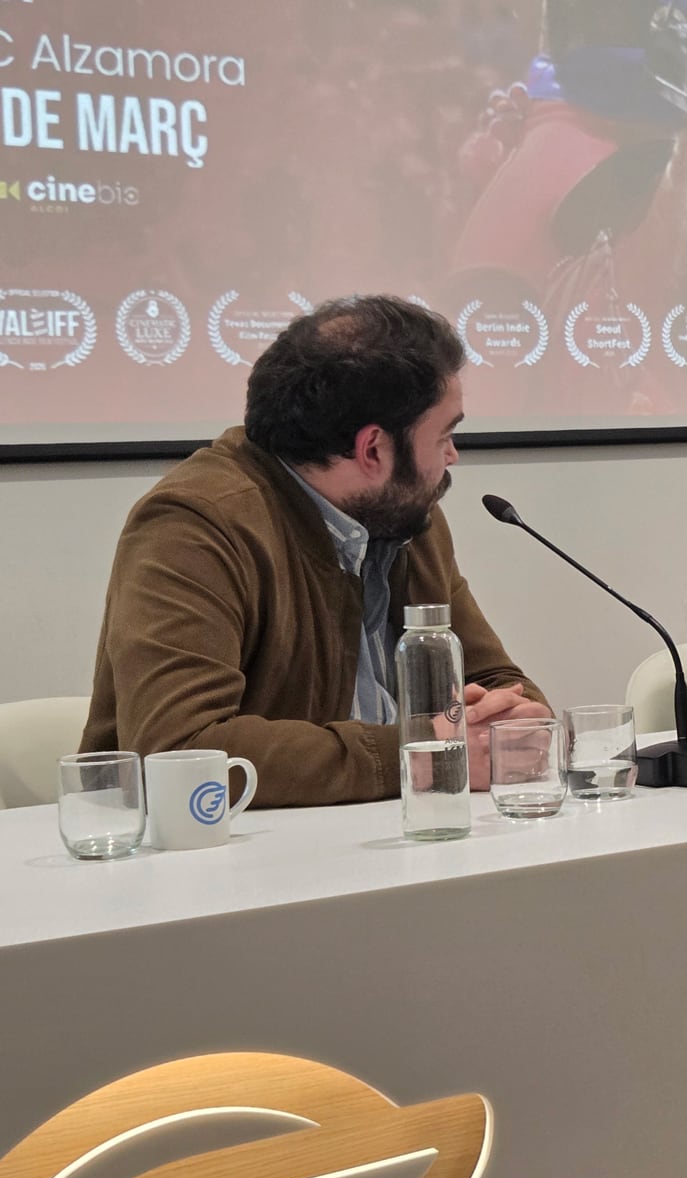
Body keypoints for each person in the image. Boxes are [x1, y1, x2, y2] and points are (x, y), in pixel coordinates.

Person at [81, 296, 550, 808]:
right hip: (213, 861)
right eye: (445, 434)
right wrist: (420, 757)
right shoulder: (194, 526)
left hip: (379, 838)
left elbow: (498, 682)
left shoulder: (407, 521)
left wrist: (512, 724)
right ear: (374, 449)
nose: (452, 456)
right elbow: (180, 749)